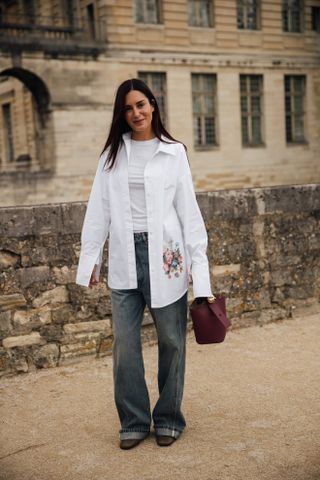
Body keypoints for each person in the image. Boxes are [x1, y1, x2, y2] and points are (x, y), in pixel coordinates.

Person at [76, 78, 213, 450]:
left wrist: (201, 278)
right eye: (127, 108)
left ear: (153, 105)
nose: (135, 113)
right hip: (124, 257)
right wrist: (91, 259)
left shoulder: (173, 152)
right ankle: (134, 421)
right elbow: (98, 210)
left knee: (171, 340)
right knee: (124, 344)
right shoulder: (111, 156)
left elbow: (189, 213)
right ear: (121, 114)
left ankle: (168, 418)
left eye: (141, 105)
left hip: (166, 258)